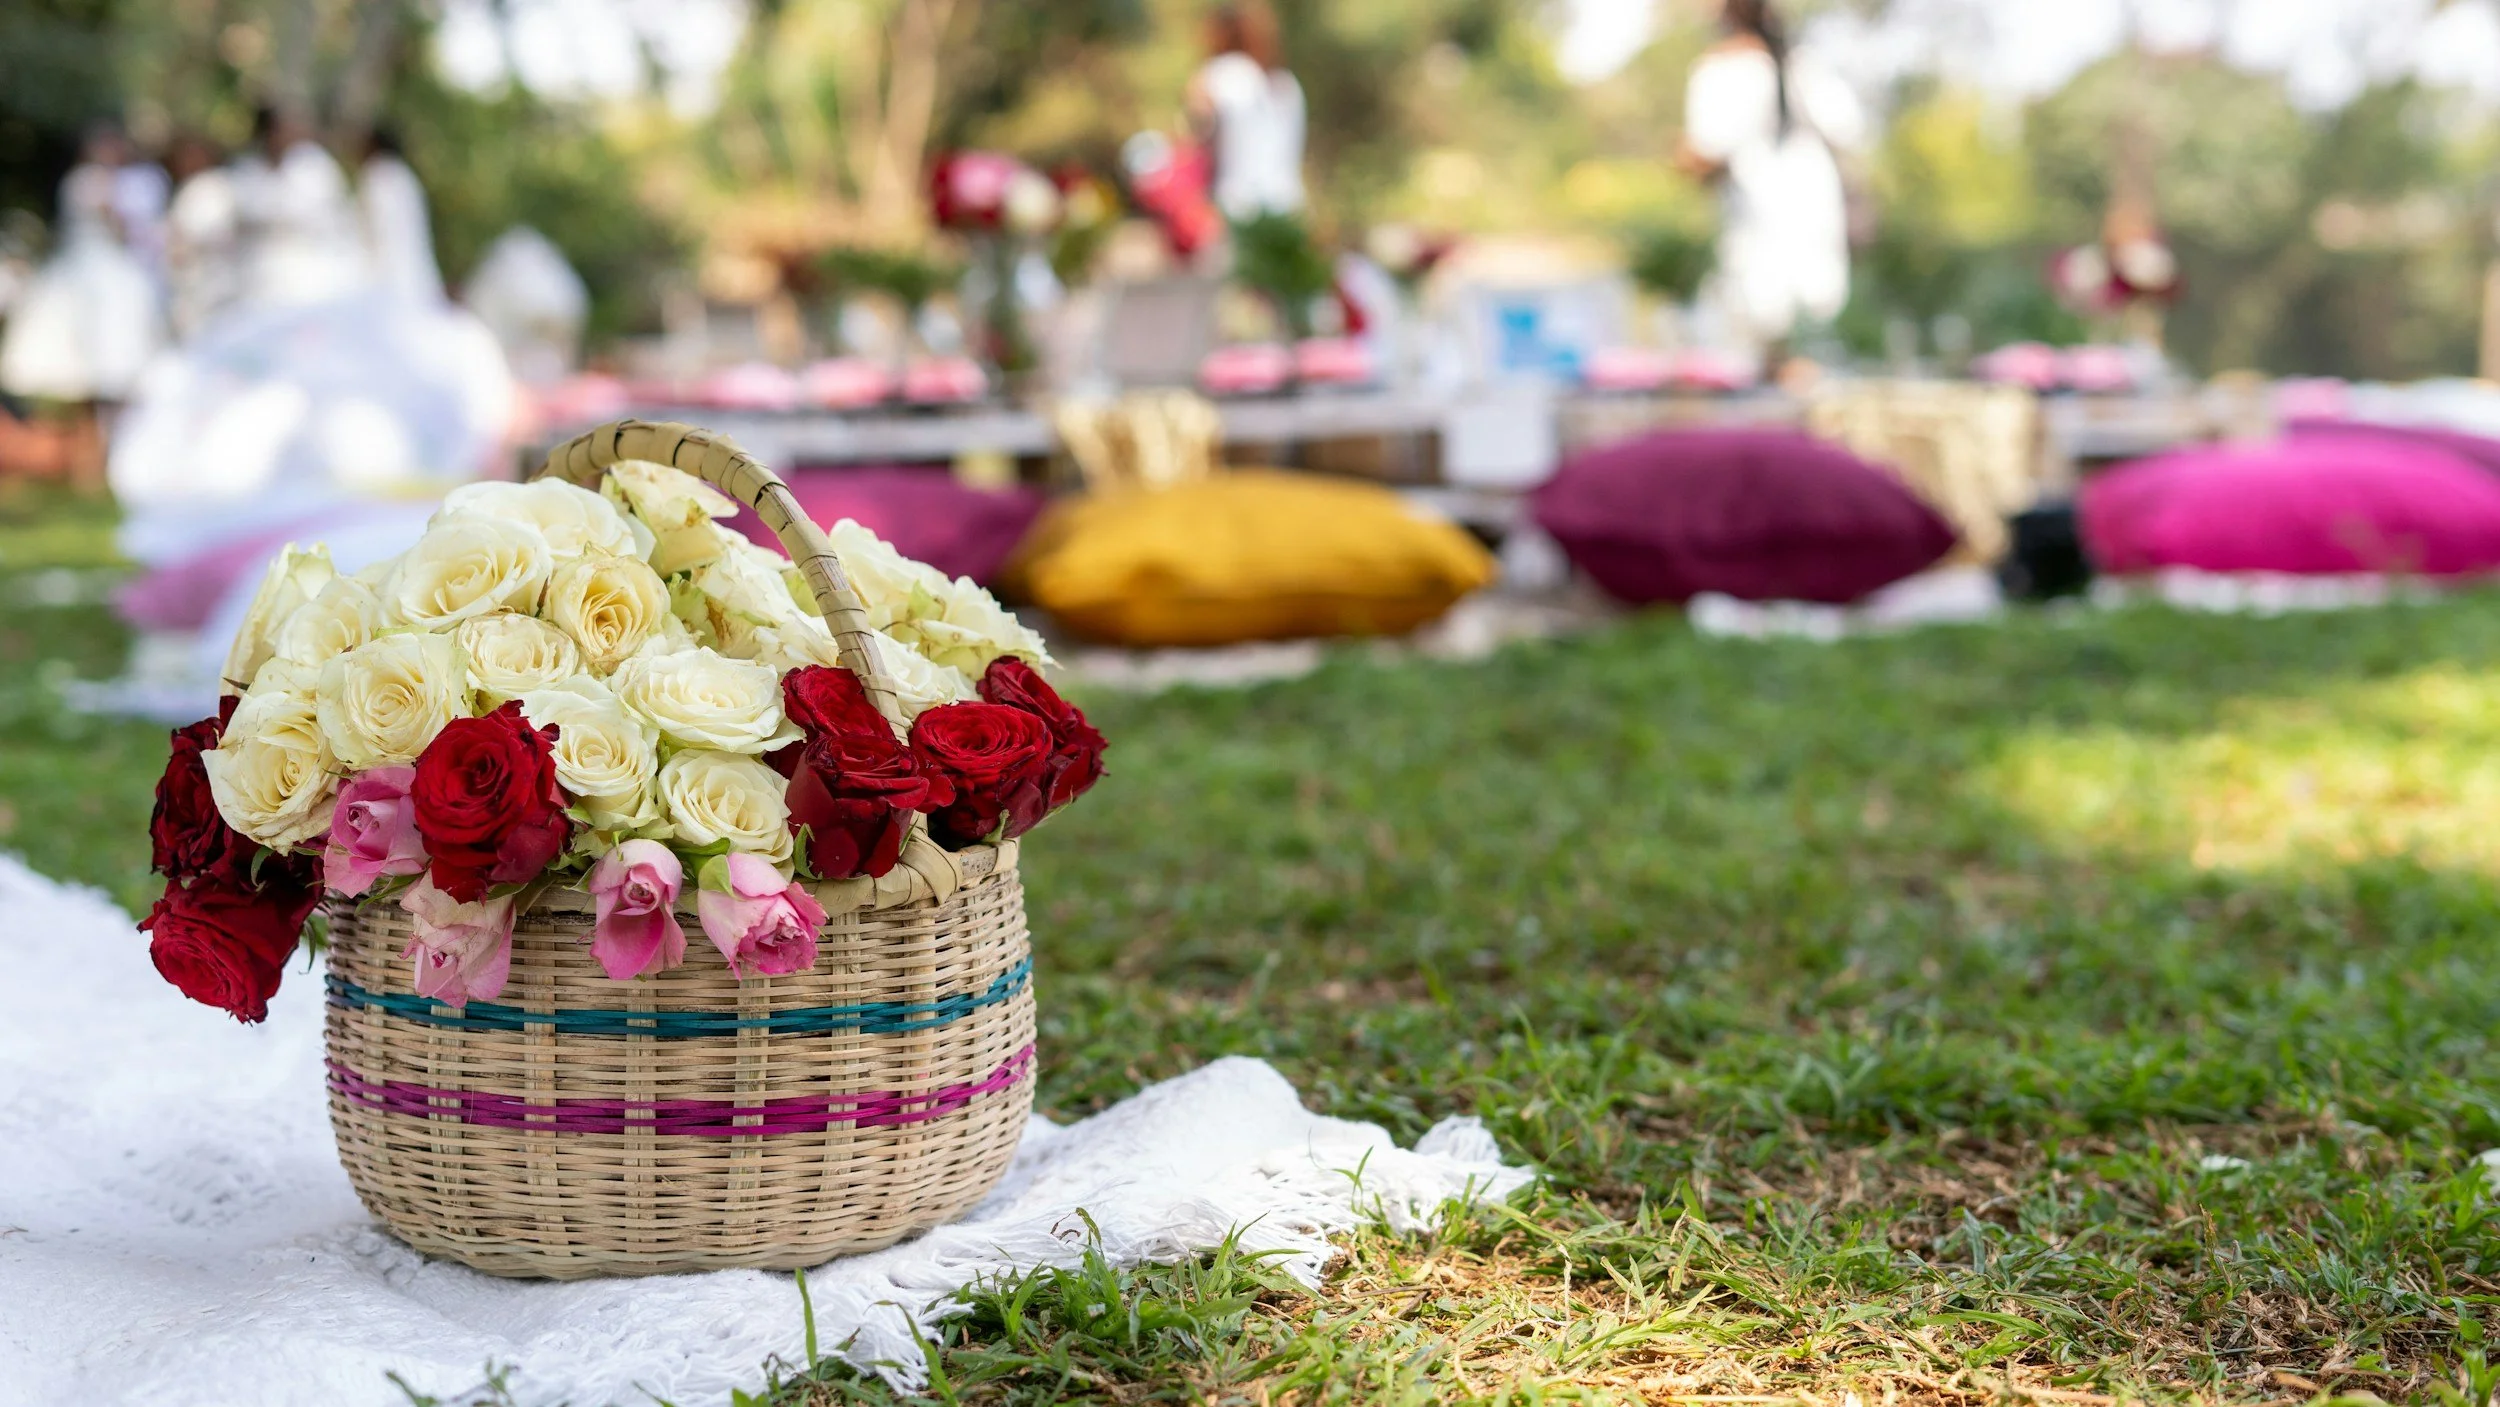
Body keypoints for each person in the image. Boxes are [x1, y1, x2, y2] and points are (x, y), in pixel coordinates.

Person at [1676, 0, 1865, 368]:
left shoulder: (1727, 69)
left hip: (1761, 207)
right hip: (1808, 201)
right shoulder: (1801, 64)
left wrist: (1690, 158)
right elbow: (1846, 126)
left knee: (1765, 305)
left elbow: (1709, 148)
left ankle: (1781, 373)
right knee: (1799, 307)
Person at [0, 123, 166, 415]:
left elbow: (130, 231)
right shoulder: (85, 181)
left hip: (109, 266)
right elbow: (94, 227)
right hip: (85, 266)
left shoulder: (129, 182)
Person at [1186, 1, 1306, 224]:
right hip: (1287, 204)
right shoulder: (1287, 84)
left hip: (1238, 206)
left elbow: (1198, 133)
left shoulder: (1219, 74)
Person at [164, 132, 241, 338]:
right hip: (189, 283)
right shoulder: (185, 190)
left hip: (216, 281)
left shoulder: (218, 186)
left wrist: (188, 242)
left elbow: (221, 232)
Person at [358, 127, 444, 305]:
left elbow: (378, 229)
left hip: (389, 267)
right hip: (414, 263)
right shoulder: (404, 174)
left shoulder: (379, 176)